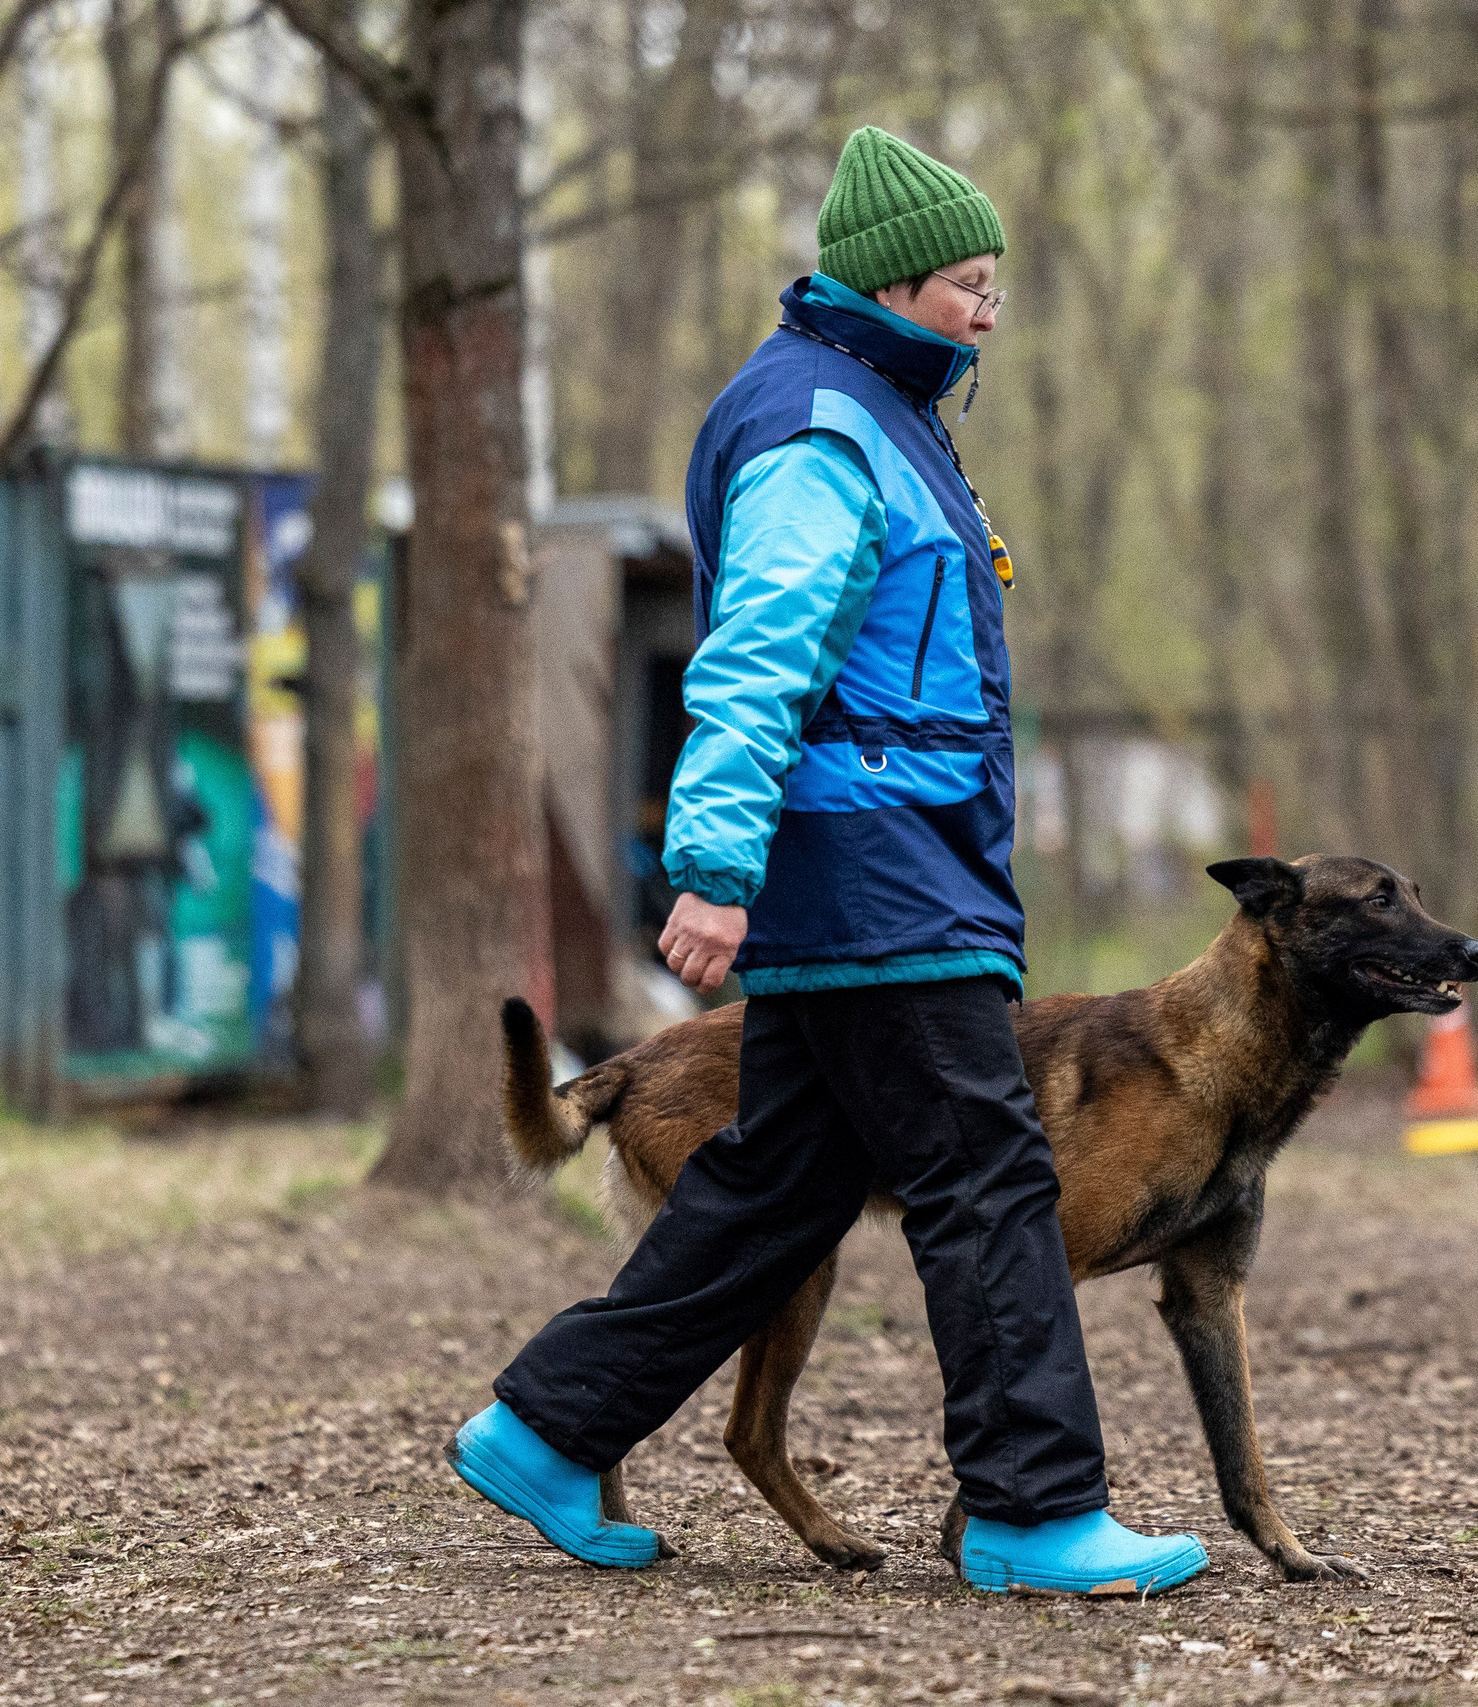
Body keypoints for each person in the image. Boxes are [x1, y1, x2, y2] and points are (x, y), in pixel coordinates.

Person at [447, 126, 1208, 1597]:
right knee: (990, 1178)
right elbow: (757, 655)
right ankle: (1034, 1512)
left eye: (997, 284)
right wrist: (715, 862)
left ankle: (548, 1431)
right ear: (888, 281)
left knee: (781, 1181)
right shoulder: (819, 426)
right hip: (871, 882)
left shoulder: (880, 411)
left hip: (887, 872)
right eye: (964, 285)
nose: (989, 309)